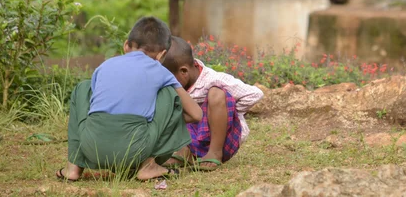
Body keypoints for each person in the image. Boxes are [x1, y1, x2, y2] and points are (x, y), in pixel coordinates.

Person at [55, 17, 203, 181]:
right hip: (136, 149)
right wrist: (171, 119)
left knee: (83, 88)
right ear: (162, 55)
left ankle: (73, 167)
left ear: (126, 45)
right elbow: (196, 114)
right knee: (168, 92)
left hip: (92, 147)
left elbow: (96, 104)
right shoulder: (160, 71)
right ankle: (148, 166)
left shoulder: (104, 66)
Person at [161, 36, 263, 171]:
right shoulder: (177, 86)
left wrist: (228, 111)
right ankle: (186, 153)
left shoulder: (214, 79)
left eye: (169, 80)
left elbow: (255, 94)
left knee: (216, 94)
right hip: (194, 138)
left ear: (184, 72)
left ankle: (214, 153)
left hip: (224, 139)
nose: (167, 84)